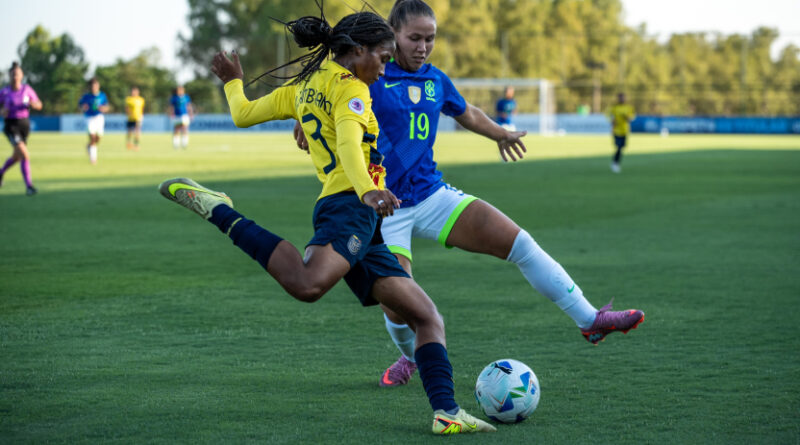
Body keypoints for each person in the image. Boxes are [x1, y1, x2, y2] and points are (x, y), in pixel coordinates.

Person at [159, 10, 494, 435]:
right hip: (349, 206)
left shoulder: (304, 86)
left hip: (362, 216)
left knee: (426, 316)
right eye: (383, 57)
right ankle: (220, 210)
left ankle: (446, 412)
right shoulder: (353, 90)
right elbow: (353, 149)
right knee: (307, 284)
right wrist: (367, 190)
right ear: (358, 52)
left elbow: (243, 114)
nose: (385, 67)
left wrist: (232, 81)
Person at [294, 0, 644, 388]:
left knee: (519, 243)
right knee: (398, 303)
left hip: (431, 195)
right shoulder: (369, 75)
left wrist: (501, 133)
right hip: (383, 206)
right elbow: (326, 95)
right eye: (414, 38)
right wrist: (303, 122)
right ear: (392, 35)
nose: (423, 46)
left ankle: (589, 319)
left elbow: (467, 112)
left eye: (430, 39)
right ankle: (411, 358)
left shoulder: (435, 81)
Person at [0, 62, 42, 195]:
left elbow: (39, 104)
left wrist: (33, 104)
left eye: (17, 74)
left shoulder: (27, 89)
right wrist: (2, 111)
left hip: (24, 125)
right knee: (24, 154)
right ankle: (29, 186)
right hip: (11, 125)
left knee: (17, 157)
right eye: (12, 74)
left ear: (22, 75)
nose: (15, 76)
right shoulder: (5, 92)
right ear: (9, 76)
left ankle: (0, 173)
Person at [78, 78, 109, 164]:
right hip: (89, 117)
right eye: (92, 86)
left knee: (98, 138)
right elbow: (80, 106)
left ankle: (89, 146)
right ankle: (93, 159)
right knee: (92, 137)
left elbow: (107, 107)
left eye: (96, 85)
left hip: (99, 117)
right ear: (90, 87)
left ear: (98, 86)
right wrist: (83, 108)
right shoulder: (86, 96)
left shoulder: (102, 95)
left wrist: (104, 109)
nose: (94, 87)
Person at [607, 92, 636, 173]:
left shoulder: (628, 107)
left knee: (622, 147)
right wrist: (612, 122)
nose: (622, 99)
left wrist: (627, 118)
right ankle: (615, 163)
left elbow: (631, 118)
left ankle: (615, 162)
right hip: (616, 130)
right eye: (620, 98)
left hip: (625, 130)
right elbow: (609, 116)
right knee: (619, 147)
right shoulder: (614, 108)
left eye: (623, 97)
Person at [125, 86, 145, 150]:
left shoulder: (141, 100)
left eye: (135, 91)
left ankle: (136, 145)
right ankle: (128, 143)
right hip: (130, 118)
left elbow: (142, 108)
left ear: (138, 92)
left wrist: (142, 116)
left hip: (138, 118)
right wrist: (129, 113)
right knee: (130, 132)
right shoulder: (129, 99)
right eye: (133, 91)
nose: (134, 92)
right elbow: (127, 108)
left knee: (137, 132)